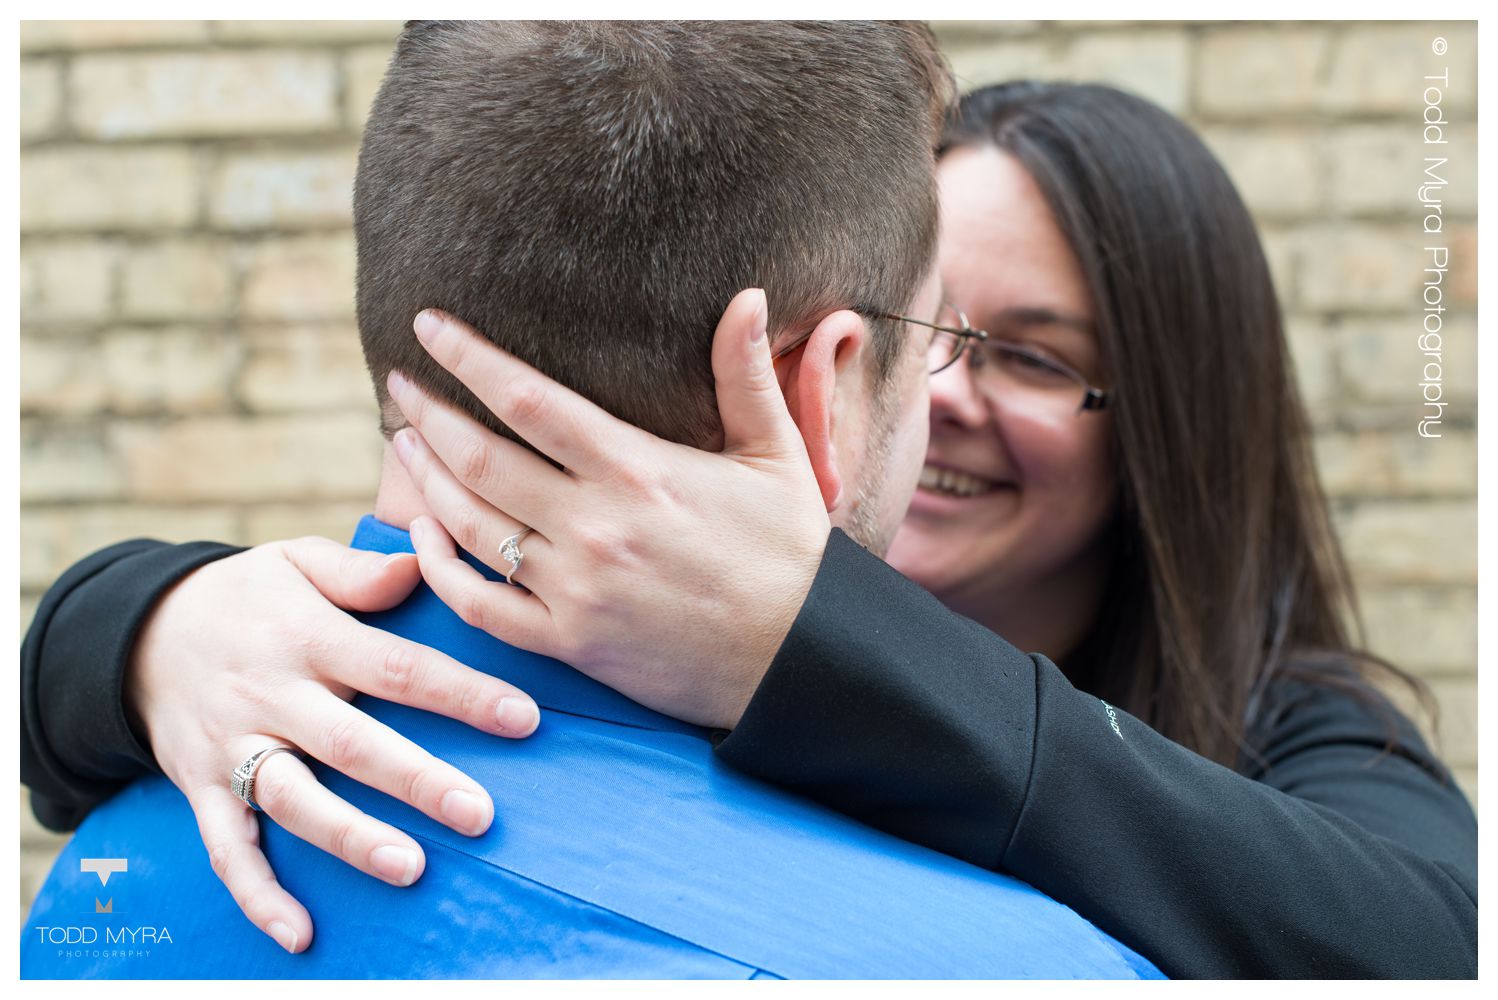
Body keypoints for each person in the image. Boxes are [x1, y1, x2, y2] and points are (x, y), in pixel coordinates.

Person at [20, 78, 1475, 977]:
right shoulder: (586, 633)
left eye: (1032, 356)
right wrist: (145, 626)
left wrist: (817, 640)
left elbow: (1438, 946)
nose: (943, 392)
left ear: (1171, 422)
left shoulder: (1295, 725)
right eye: (929, 330)